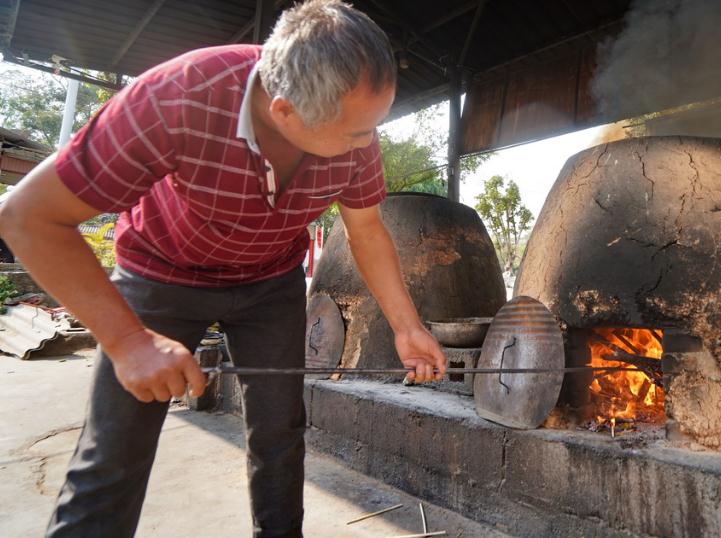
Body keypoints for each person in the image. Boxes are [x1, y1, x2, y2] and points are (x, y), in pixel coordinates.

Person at [0, 1, 446, 536]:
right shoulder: (174, 98)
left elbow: (367, 229)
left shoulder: (355, 132)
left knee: (281, 433)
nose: (368, 143)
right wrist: (127, 341)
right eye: (355, 133)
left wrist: (407, 326)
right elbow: (27, 217)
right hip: (161, 273)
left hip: (269, 280)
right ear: (286, 112)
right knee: (116, 448)